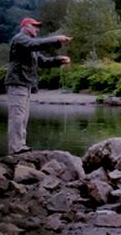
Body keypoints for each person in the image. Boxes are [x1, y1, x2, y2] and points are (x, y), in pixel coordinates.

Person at [4, 17, 72, 155]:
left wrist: (59, 60)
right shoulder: (20, 39)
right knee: (17, 117)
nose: (37, 29)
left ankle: (20, 146)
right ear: (25, 27)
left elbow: (43, 61)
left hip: (24, 84)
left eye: (38, 26)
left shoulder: (30, 46)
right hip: (17, 83)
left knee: (23, 117)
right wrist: (56, 39)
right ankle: (15, 148)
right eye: (34, 26)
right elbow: (35, 44)